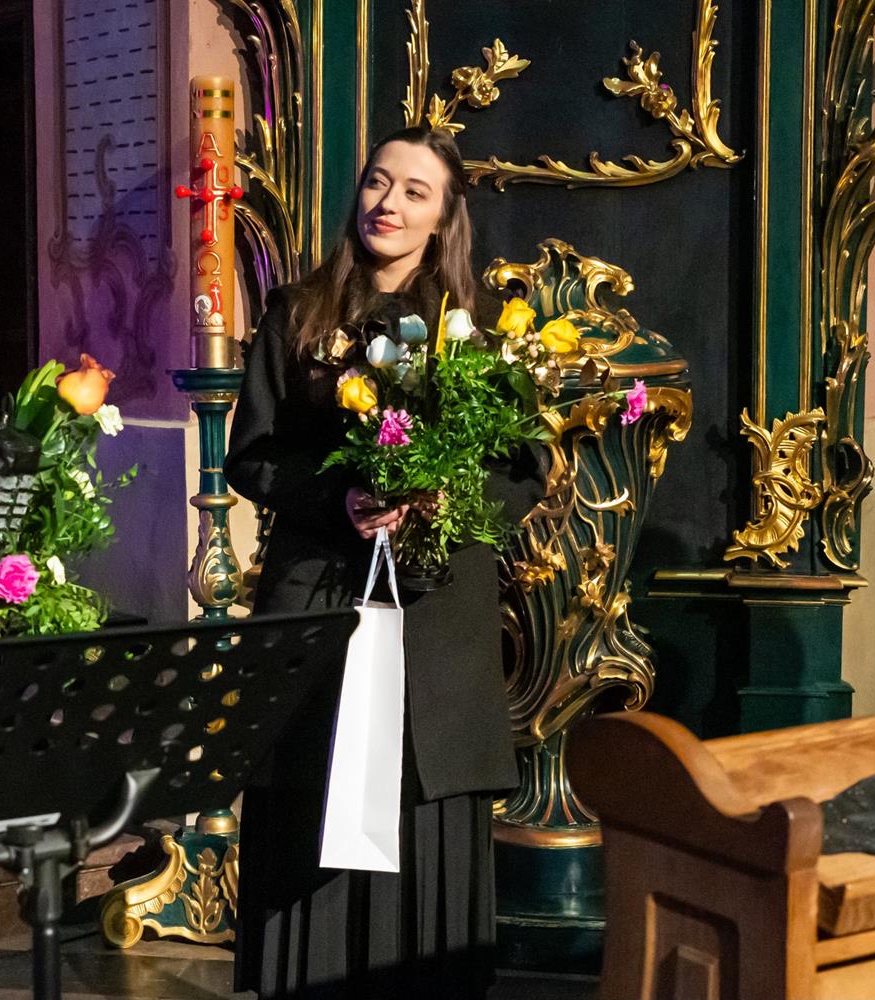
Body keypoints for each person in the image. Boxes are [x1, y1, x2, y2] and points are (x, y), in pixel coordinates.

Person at [224, 126, 540, 998]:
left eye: (413, 192)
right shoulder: (297, 313)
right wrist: (341, 498)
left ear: (444, 218)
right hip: (322, 601)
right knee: (313, 795)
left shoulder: (479, 330)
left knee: (420, 810)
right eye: (376, 182)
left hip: (437, 621)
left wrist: (446, 501)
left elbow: (525, 469)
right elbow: (252, 455)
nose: (387, 203)